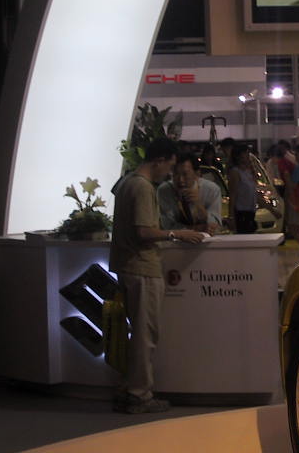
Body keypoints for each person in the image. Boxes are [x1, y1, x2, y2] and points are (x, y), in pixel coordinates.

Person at [109, 137, 204, 414]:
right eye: (170, 167)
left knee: (137, 333)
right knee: (144, 335)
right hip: (143, 268)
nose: (170, 174)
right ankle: (140, 395)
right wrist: (178, 234)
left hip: (127, 266)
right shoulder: (142, 187)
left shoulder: (126, 182)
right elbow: (144, 231)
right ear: (159, 160)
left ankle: (129, 388)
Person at [158, 151, 222, 236]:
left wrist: (199, 206)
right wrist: (197, 229)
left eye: (185, 174)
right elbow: (166, 226)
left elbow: (215, 225)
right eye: (176, 174)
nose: (180, 180)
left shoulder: (212, 190)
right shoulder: (164, 191)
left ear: (197, 174)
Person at [227, 144, 258, 234]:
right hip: (241, 211)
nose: (248, 156)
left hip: (251, 210)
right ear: (238, 156)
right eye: (245, 153)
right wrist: (231, 216)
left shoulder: (249, 172)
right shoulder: (235, 172)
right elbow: (233, 194)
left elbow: (254, 193)